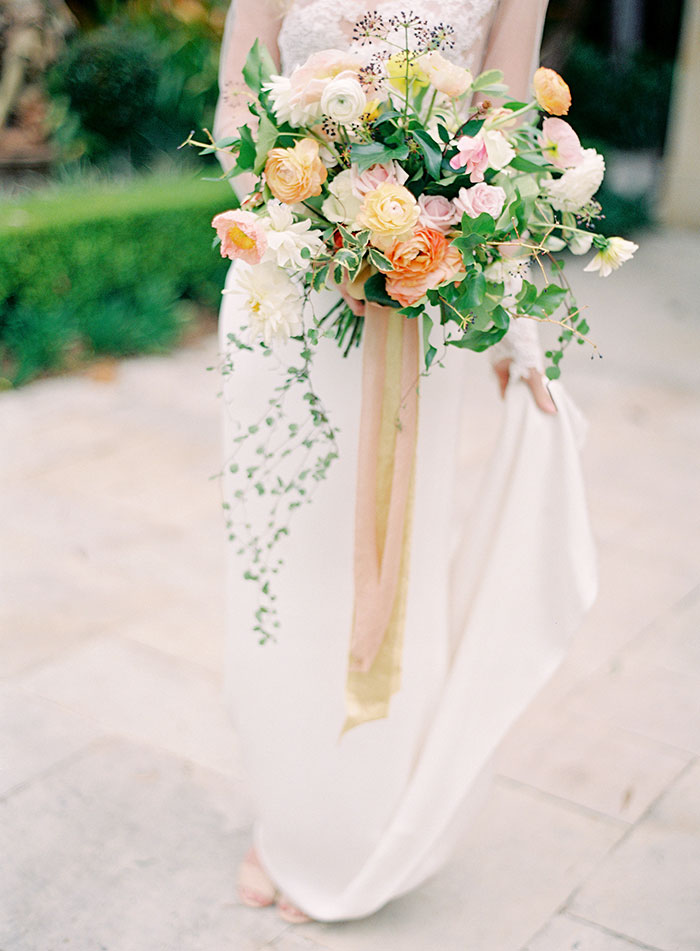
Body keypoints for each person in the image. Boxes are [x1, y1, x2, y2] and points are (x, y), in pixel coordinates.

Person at [213, 0, 597, 925]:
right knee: (283, 571)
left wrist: (517, 331)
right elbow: (234, 106)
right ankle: (291, 816)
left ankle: (366, 820)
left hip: (418, 304)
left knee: (399, 566)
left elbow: (503, 124)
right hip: (288, 294)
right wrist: (304, 199)